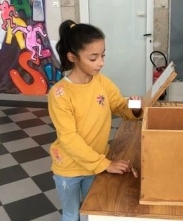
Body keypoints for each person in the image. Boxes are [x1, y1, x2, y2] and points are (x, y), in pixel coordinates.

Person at [48, 20, 142, 221]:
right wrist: (105, 164)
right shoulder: (60, 93)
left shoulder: (101, 82)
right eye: (93, 57)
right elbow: (68, 139)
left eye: (103, 55)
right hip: (69, 168)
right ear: (72, 57)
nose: (101, 62)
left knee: (92, 213)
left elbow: (118, 105)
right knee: (72, 215)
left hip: (96, 163)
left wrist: (135, 109)